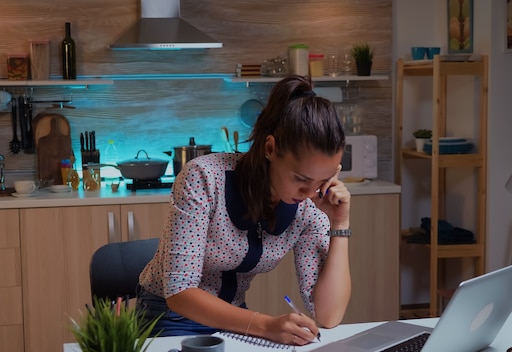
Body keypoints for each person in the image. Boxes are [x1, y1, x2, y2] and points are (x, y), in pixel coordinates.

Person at [136, 75, 351, 346]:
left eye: (323, 180)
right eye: (301, 179)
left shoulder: (310, 207)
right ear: (270, 148)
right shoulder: (204, 177)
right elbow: (179, 292)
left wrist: (339, 223)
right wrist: (267, 325)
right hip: (170, 317)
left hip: (235, 320)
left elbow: (328, 315)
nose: (311, 193)